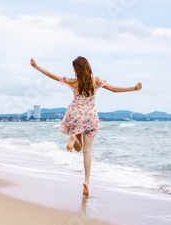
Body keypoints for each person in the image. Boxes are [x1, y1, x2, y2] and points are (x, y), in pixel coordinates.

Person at [30, 57, 142, 197]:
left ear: (76, 69)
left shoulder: (73, 82)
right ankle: (87, 181)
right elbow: (114, 89)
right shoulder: (96, 81)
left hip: (76, 115)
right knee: (87, 151)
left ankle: (74, 138)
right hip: (90, 117)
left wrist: (36, 66)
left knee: (79, 147)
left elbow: (53, 76)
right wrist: (134, 88)